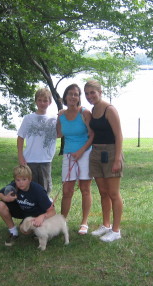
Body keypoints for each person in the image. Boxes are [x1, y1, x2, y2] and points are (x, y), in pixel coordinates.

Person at [84, 79, 124, 242]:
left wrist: (117, 159)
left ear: (100, 92)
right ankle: (106, 225)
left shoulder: (110, 109)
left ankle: (116, 230)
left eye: (92, 92)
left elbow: (119, 135)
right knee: (103, 192)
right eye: (86, 94)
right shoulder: (92, 110)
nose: (89, 96)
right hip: (96, 153)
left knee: (113, 193)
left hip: (111, 152)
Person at [56, 84, 94, 235]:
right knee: (67, 190)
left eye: (76, 94)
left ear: (79, 98)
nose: (73, 97)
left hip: (85, 153)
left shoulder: (84, 113)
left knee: (85, 189)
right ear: (65, 97)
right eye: (70, 94)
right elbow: (58, 134)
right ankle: (61, 222)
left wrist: (81, 151)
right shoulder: (61, 115)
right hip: (68, 155)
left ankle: (84, 223)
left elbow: (92, 135)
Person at [0, 164, 56, 246]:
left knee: (24, 230)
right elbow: (0, 193)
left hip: (37, 213)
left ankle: (43, 229)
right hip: (23, 210)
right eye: (18, 180)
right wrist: (5, 198)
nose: (21, 183)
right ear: (15, 180)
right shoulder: (13, 186)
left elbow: (53, 212)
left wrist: (42, 217)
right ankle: (13, 232)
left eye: (24, 179)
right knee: (0, 205)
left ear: (30, 179)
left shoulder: (38, 190)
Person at [17, 88, 57, 195]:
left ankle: (45, 210)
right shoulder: (28, 118)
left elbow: (60, 134)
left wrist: (63, 118)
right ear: (36, 101)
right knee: (28, 188)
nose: (42, 103)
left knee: (45, 189)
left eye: (45, 100)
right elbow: (20, 137)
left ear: (50, 102)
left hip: (46, 160)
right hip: (29, 160)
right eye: (39, 100)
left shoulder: (54, 119)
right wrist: (20, 156)